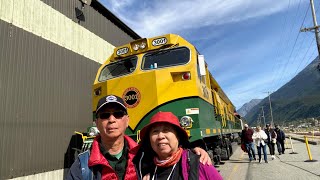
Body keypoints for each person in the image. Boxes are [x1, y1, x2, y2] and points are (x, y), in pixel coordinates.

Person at [66, 95, 211, 180]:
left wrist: (193, 151)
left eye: (118, 114)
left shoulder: (145, 153)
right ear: (97, 123)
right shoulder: (82, 166)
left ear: (127, 120)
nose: (112, 119)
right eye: (104, 115)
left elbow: (173, 154)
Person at [133, 111, 223, 180]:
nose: (160, 136)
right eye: (155, 132)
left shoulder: (199, 163)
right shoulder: (143, 168)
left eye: (166, 130)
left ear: (178, 137)